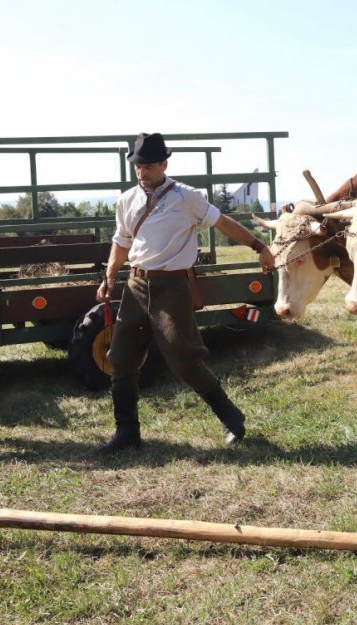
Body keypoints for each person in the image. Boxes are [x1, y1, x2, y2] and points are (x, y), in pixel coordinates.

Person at [95, 132, 274, 452]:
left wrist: (259, 246)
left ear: (164, 163)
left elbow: (223, 223)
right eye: (137, 165)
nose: (142, 171)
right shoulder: (126, 200)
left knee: (183, 358)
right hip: (136, 285)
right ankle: (127, 433)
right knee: (120, 358)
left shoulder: (186, 197)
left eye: (148, 165)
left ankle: (232, 418)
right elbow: (121, 242)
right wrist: (109, 276)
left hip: (172, 286)